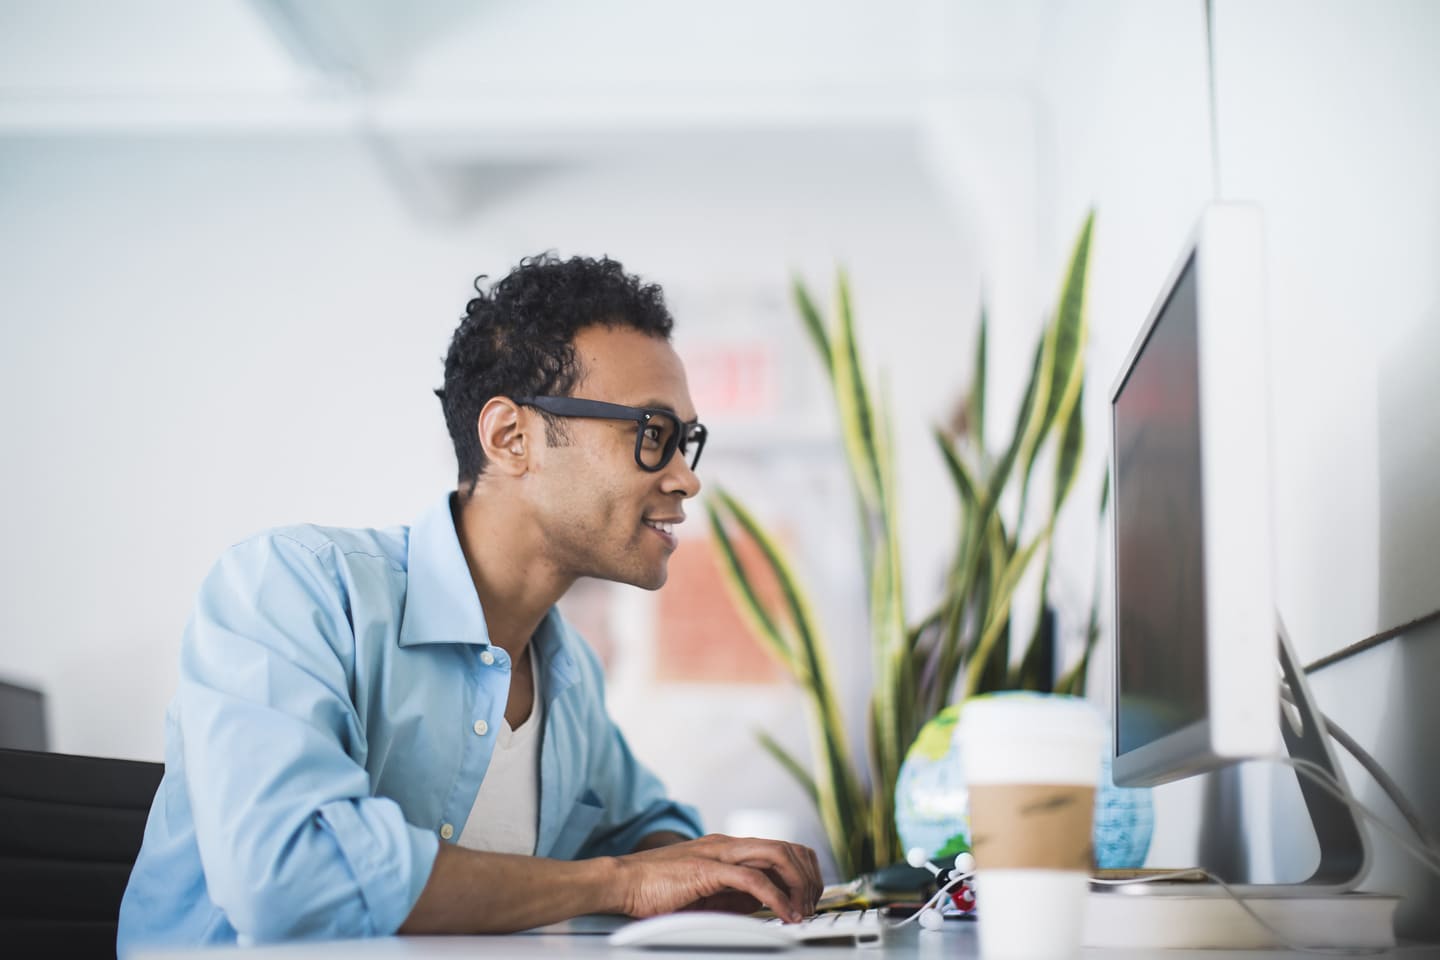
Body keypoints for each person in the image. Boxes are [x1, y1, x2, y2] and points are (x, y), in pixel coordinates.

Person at [117, 254, 822, 951]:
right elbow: (291, 876)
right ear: (512, 438)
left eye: (685, 443)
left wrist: (712, 870)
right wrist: (619, 882)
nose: (684, 479)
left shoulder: (565, 668)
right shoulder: (292, 591)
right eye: (652, 435)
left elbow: (640, 829)